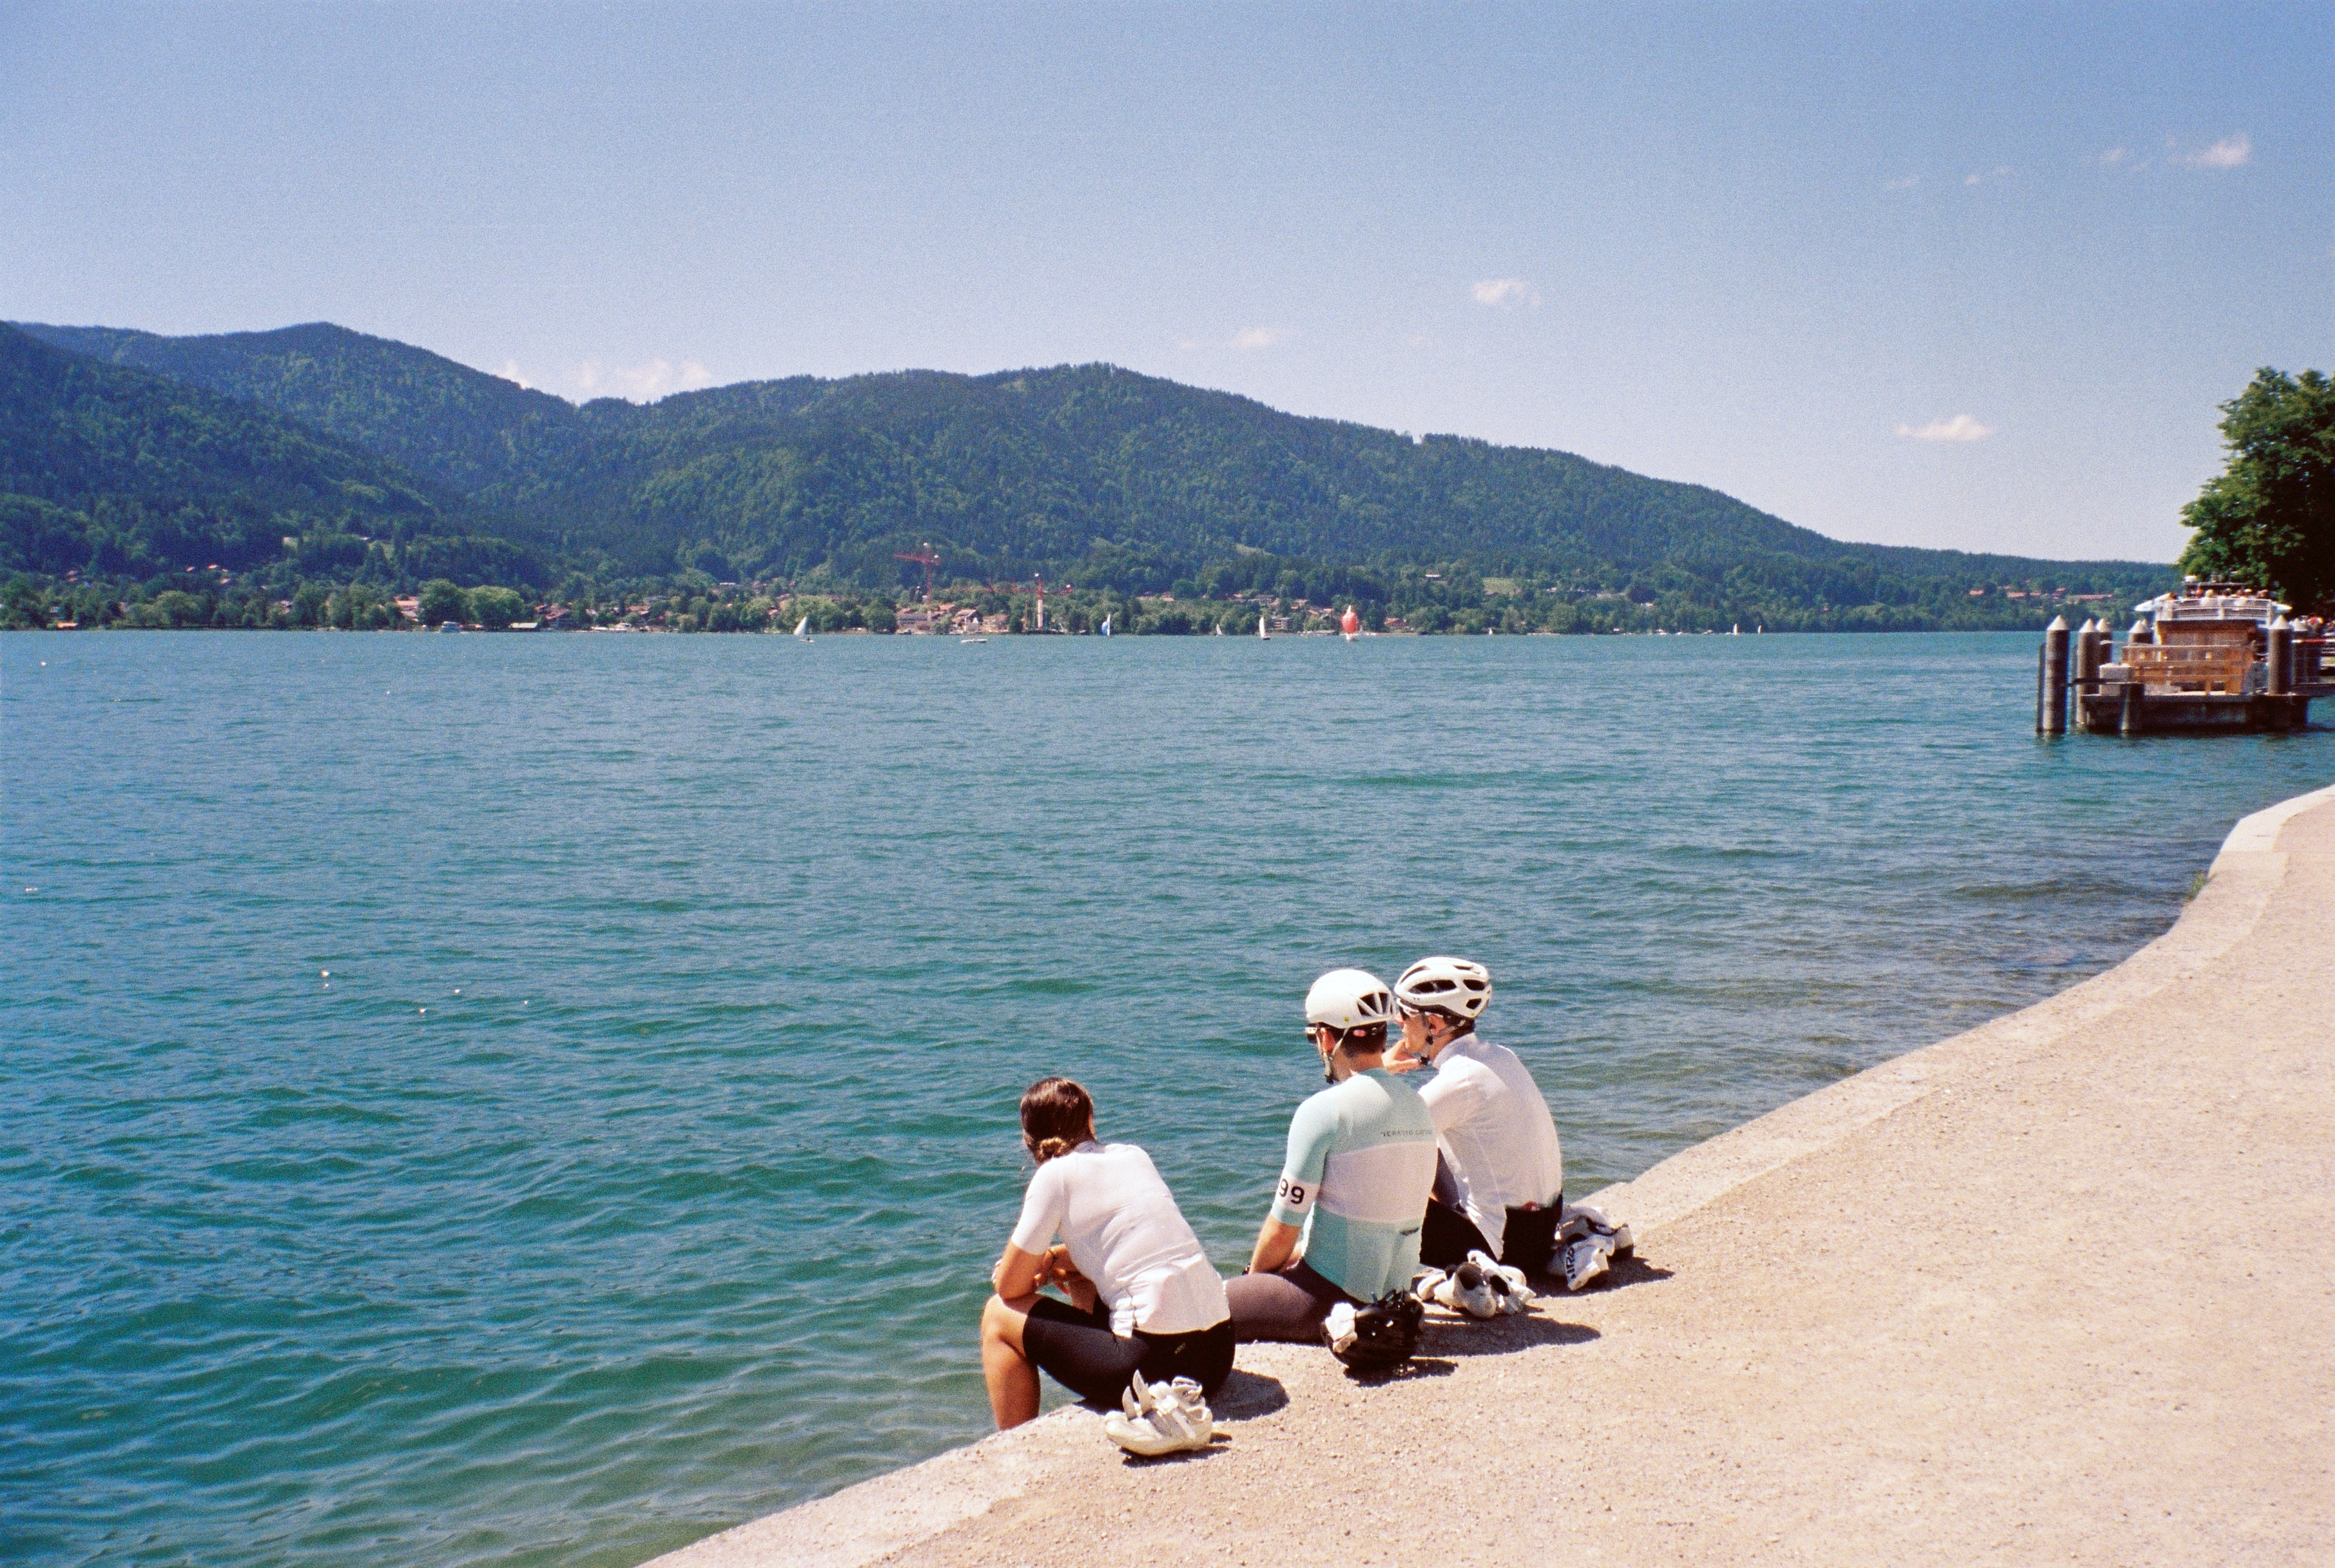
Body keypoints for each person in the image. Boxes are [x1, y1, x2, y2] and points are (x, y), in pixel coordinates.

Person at [978, 1077, 1233, 1429]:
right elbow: (1127, 1246)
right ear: (1090, 1121)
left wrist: (1034, 1268)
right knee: (1082, 1274)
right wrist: (1053, 1261)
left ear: (1029, 1142)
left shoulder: (1054, 1175)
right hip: (1216, 1357)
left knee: (996, 1315)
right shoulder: (1134, 1155)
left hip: (1155, 1370)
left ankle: (1012, 1441)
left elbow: (1008, 1287)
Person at [1225, 968, 1440, 1342]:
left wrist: (1255, 1281)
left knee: (1202, 1307)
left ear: (1326, 1038)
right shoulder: (1417, 1103)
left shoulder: (1323, 1110)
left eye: (1314, 1037)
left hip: (1328, 1298)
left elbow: (1281, 1229)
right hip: (1395, 1295)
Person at [1386, 955, 1565, 1275]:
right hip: (1537, 1230)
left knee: (1369, 1183)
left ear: (1434, 1024)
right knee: (1428, 1144)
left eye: (1405, 1013)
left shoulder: (1459, 1082)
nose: (1397, 1022)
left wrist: (1376, 1074)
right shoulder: (1501, 1056)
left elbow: (1370, 1138)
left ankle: (1333, 1283)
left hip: (1504, 1250)